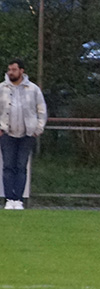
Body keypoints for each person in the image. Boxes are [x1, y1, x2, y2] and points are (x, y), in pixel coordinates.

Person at [0, 59, 47, 210]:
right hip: (7, 133)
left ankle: (18, 199)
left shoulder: (33, 89)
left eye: (13, 69)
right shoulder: (2, 88)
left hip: (27, 134)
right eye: (9, 70)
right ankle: (9, 199)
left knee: (21, 166)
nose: (10, 72)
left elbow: (41, 110)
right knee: (8, 166)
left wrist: (37, 129)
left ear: (21, 71)